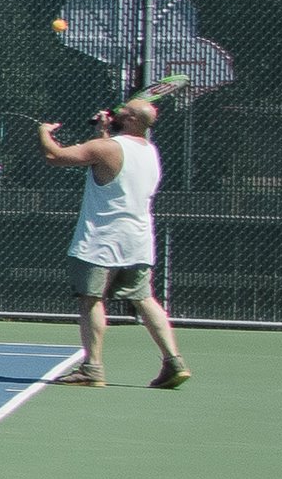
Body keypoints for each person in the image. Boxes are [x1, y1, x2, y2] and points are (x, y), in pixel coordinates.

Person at [33, 95, 182, 388]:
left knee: (91, 300)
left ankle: (92, 368)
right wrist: (103, 132)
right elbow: (109, 164)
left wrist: (42, 132)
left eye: (121, 111)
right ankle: (174, 361)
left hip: (100, 240)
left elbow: (55, 156)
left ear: (133, 120)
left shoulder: (107, 148)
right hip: (137, 240)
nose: (115, 112)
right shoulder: (149, 151)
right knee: (145, 299)